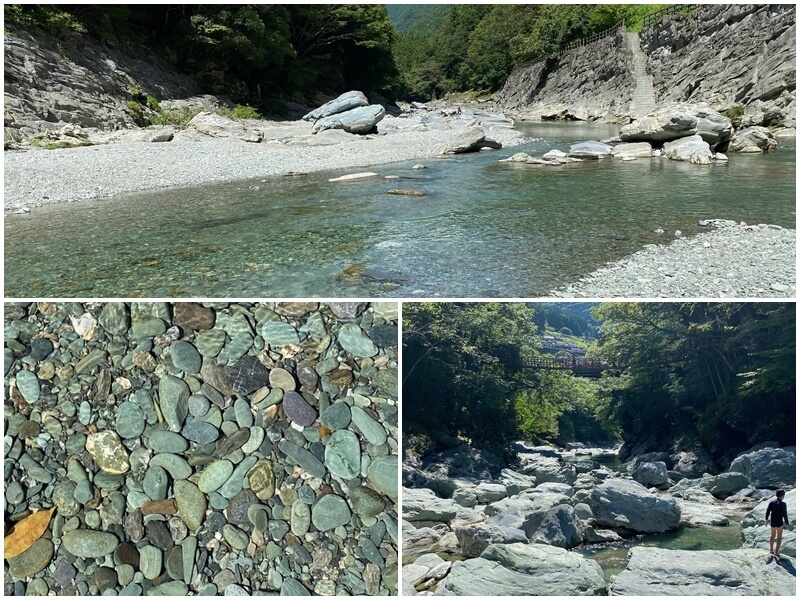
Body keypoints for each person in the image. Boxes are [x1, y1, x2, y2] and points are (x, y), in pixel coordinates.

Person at [765, 489, 790, 559]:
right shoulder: (783, 504)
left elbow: (767, 511)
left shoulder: (771, 502)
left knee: (772, 535)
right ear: (782, 496)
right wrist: (787, 523)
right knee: (779, 537)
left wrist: (766, 520)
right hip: (779, 522)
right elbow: (785, 514)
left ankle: (771, 550)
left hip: (772, 521)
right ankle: (777, 552)